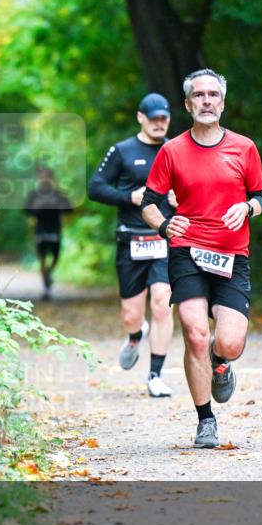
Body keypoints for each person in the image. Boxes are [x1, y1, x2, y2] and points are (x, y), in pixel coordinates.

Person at [141, 69, 262, 448]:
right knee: (195, 333)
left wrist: (246, 209)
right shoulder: (172, 151)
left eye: (213, 95)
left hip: (232, 255)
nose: (207, 101)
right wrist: (165, 226)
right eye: (199, 95)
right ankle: (205, 420)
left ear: (223, 103)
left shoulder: (244, 148)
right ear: (187, 104)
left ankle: (221, 361)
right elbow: (150, 203)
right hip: (188, 253)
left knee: (228, 341)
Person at [88, 93, 177, 398]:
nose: (158, 124)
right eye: (153, 118)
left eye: (163, 118)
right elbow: (95, 187)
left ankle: (155, 374)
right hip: (131, 239)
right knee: (131, 314)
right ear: (141, 117)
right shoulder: (122, 151)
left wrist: (182, 200)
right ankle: (135, 334)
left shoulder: (176, 150)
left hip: (165, 239)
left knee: (163, 302)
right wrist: (130, 197)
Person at [24, 166, 73, 300]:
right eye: (42, 176)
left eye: (47, 176)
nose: (44, 178)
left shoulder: (58, 193)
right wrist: (35, 208)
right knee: (42, 257)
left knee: (56, 257)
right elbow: (26, 210)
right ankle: (46, 287)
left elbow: (69, 208)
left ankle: (48, 273)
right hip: (40, 228)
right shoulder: (34, 194)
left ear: (51, 178)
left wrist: (60, 206)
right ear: (39, 178)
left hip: (55, 228)